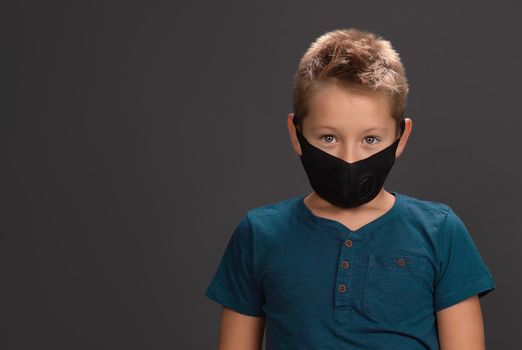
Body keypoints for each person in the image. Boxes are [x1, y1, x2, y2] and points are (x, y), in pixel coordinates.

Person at [204, 28, 495, 350]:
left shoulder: (440, 231)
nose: (349, 159)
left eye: (371, 139)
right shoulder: (259, 234)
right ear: (295, 133)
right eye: (328, 138)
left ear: (401, 137)